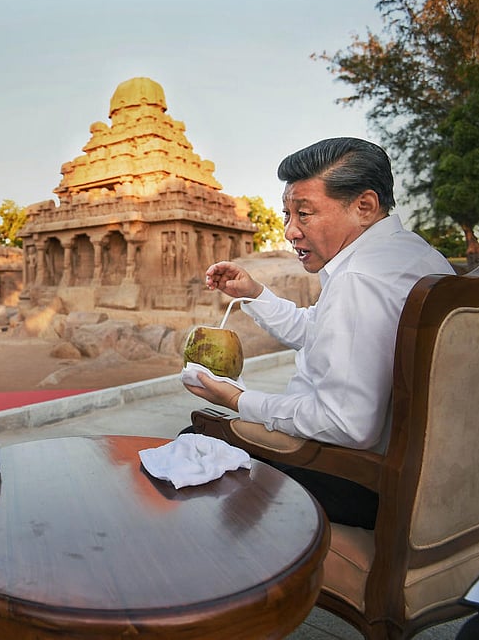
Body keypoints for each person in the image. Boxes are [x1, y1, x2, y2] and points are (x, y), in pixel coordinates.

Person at [183, 137, 454, 528]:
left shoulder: (359, 279)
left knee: (196, 440)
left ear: (364, 206)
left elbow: (344, 424)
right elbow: (322, 331)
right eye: (286, 215)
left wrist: (239, 399)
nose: (290, 231)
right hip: (421, 476)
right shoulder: (415, 255)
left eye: (304, 214)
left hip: (357, 479)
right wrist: (254, 293)